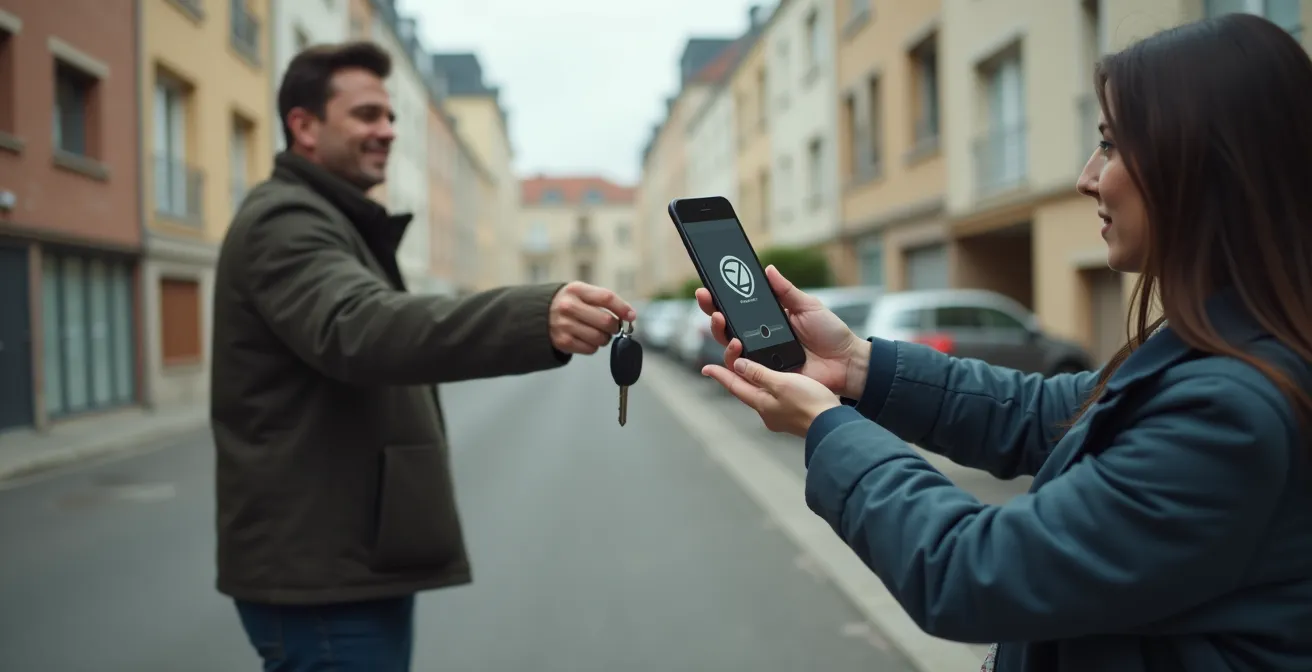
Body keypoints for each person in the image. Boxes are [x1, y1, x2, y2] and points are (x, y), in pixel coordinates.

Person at [698, 13, 1312, 672]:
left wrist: (827, 426)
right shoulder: (1225, 350)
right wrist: (854, 364)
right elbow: (1045, 414)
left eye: (1110, 145)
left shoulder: (1231, 410)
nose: (1087, 177)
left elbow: (974, 570)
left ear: (1202, 157)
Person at [210, 42, 637, 671]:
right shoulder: (286, 221)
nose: (386, 131)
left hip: (346, 558)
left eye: (390, 116)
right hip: (323, 573)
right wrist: (531, 315)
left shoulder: (333, 219)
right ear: (303, 126)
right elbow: (358, 326)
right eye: (365, 115)